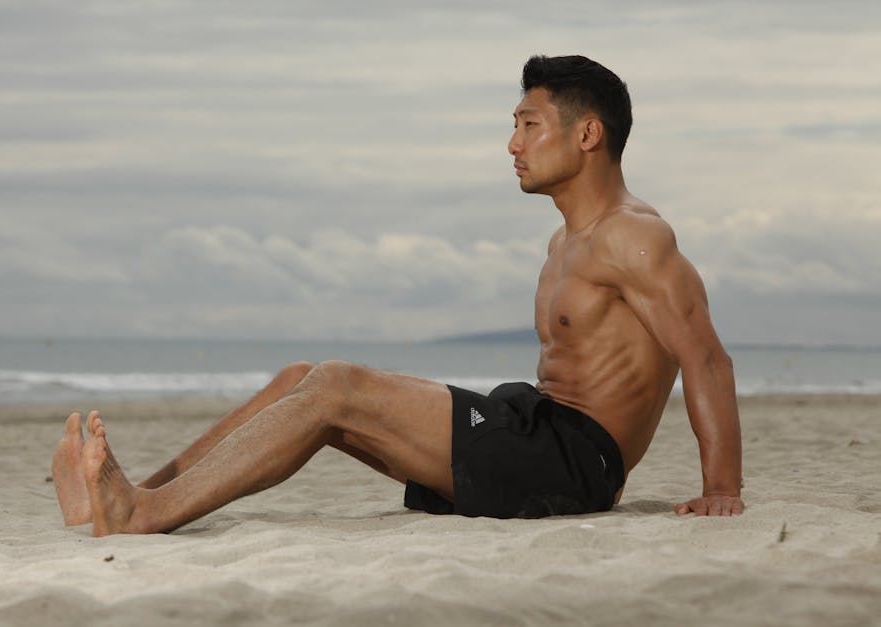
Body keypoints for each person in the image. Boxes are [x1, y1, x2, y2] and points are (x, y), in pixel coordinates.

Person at [52, 55, 744, 536]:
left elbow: (706, 358)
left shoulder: (635, 237)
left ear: (588, 133)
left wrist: (721, 490)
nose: (512, 143)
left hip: (571, 462)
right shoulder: (566, 242)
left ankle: (142, 514)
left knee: (337, 388)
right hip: (532, 428)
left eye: (530, 124)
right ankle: (137, 493)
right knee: (305, 379)